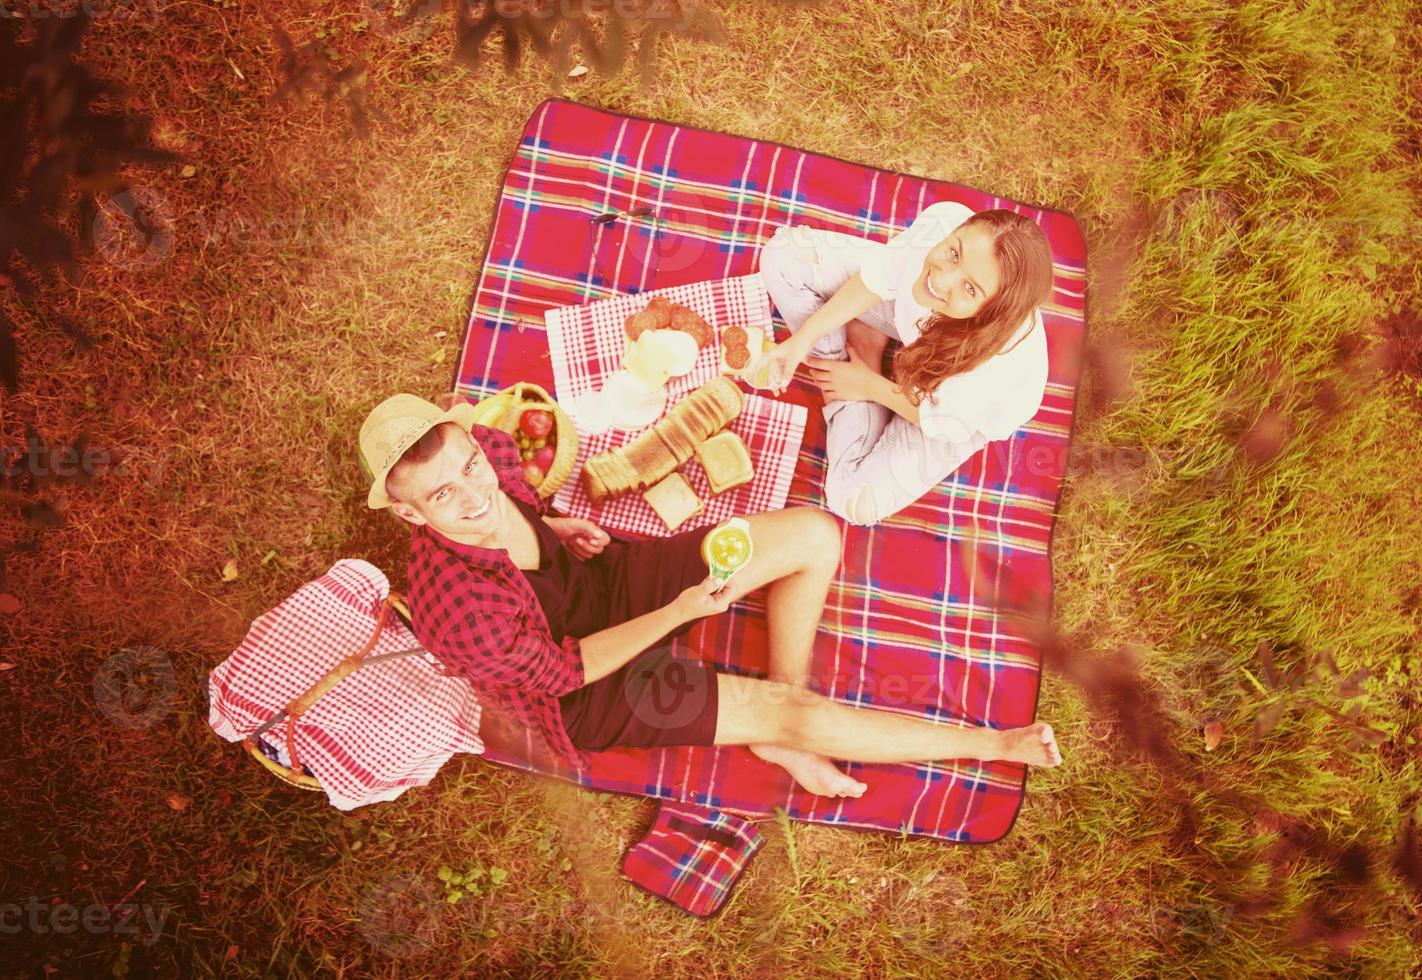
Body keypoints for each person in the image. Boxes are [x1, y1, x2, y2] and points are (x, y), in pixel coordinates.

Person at [359, 393, 1062, 799]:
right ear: (412, 516)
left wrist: (557, 526)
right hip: (584, 692)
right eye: (444, 496)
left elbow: (508, 495)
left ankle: (782, 728)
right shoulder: (459, 613)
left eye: (471, 468)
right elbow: (567, 670)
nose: (475, 493)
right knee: (788, 711)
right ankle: (995, 741)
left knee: (817, 534)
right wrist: (678, 611)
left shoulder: (490, 449)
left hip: (601, 581)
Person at [755, 200, 1055, 525]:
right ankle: (845, 356)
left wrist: (866, 384)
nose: (941, 281)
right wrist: (803, 341)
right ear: (957, 229)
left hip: (946, 413)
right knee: (784, 255)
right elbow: (874, 280)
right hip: (915, 326)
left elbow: (936, 419)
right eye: (954, 254)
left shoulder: (990, 372)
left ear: (990, 313)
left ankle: (860, 367)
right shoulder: (942, 222)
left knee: (851, 502)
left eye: (969, 288)